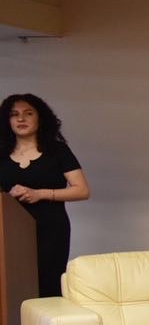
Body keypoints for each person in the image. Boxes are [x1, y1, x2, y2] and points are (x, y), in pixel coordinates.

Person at [0, 94, 90, 298]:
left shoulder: (57, 150)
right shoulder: (1, 153)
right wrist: (7, 195)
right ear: (7, 120)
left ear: (40, 118)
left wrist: (40, 194)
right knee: (12, 287)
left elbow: (82, 190)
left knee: (49, 285)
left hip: (51, 228)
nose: (21, 119)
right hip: (10, 230)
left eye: (28, 113)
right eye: (14, 114)